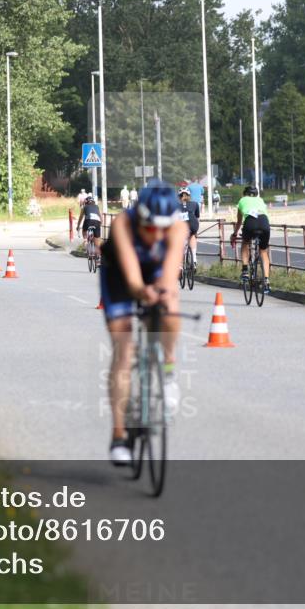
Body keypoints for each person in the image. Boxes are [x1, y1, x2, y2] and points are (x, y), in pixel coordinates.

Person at [99, 183, 186, 466]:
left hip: (156, 272)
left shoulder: (178, 228)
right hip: (121, 276)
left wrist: (160, 293)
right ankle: (119, 435)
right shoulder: (123, 223)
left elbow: (170, 274)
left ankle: (168, 369)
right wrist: (141, 292)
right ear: (140, 218)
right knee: (124, 350)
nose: (157, 235)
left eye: (164, 228)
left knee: (170, 310)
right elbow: (134, 279)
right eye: (150, 228)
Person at [230, 185, 271, 293]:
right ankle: (266, 280)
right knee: (263, 251)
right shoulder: (260, 200)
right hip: (264, 223)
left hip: (250, 223)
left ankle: (245, 270)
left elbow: (239, 222)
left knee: (245, 243)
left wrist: (234, 234)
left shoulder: (242, 200)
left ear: (245, 194)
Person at [178, 187, 200, 262]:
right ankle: (194, 258)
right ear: (189, 196)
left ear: (179, 196)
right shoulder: (195, 204)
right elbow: (197, 218)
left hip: (182, 226)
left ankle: (180, 264)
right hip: (193, 224)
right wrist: (196, 230)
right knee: (192, 235)